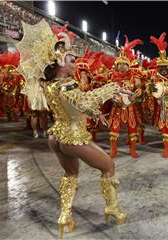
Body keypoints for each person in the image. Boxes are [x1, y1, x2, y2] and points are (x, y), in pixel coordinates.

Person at [16, 20, 128, 239]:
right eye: (71, 60)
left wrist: (96, 111)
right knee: (108, 166)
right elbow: (84, 103)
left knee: (70, 174)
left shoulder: (48, 85)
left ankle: (64, 216)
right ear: (59, 63)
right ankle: (112, 208)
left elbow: (73, 106)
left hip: (56, 135)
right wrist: (111, 87)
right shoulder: (67, 84)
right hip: (73, 137)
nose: (75, 64)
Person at [107, 35, 143, 158]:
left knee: (132, 129)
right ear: (116, 66)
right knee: (113, 129)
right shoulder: (112, 76)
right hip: (116, 107)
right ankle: (113, 150)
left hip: (129, 107)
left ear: (128, 66)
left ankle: (132, 150)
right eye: (120, 64)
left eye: (124, 64)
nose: (122, 66)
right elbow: (108, 90)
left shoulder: (134, 75)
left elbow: (139, 89)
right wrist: (113, 97)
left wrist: (135, 94)